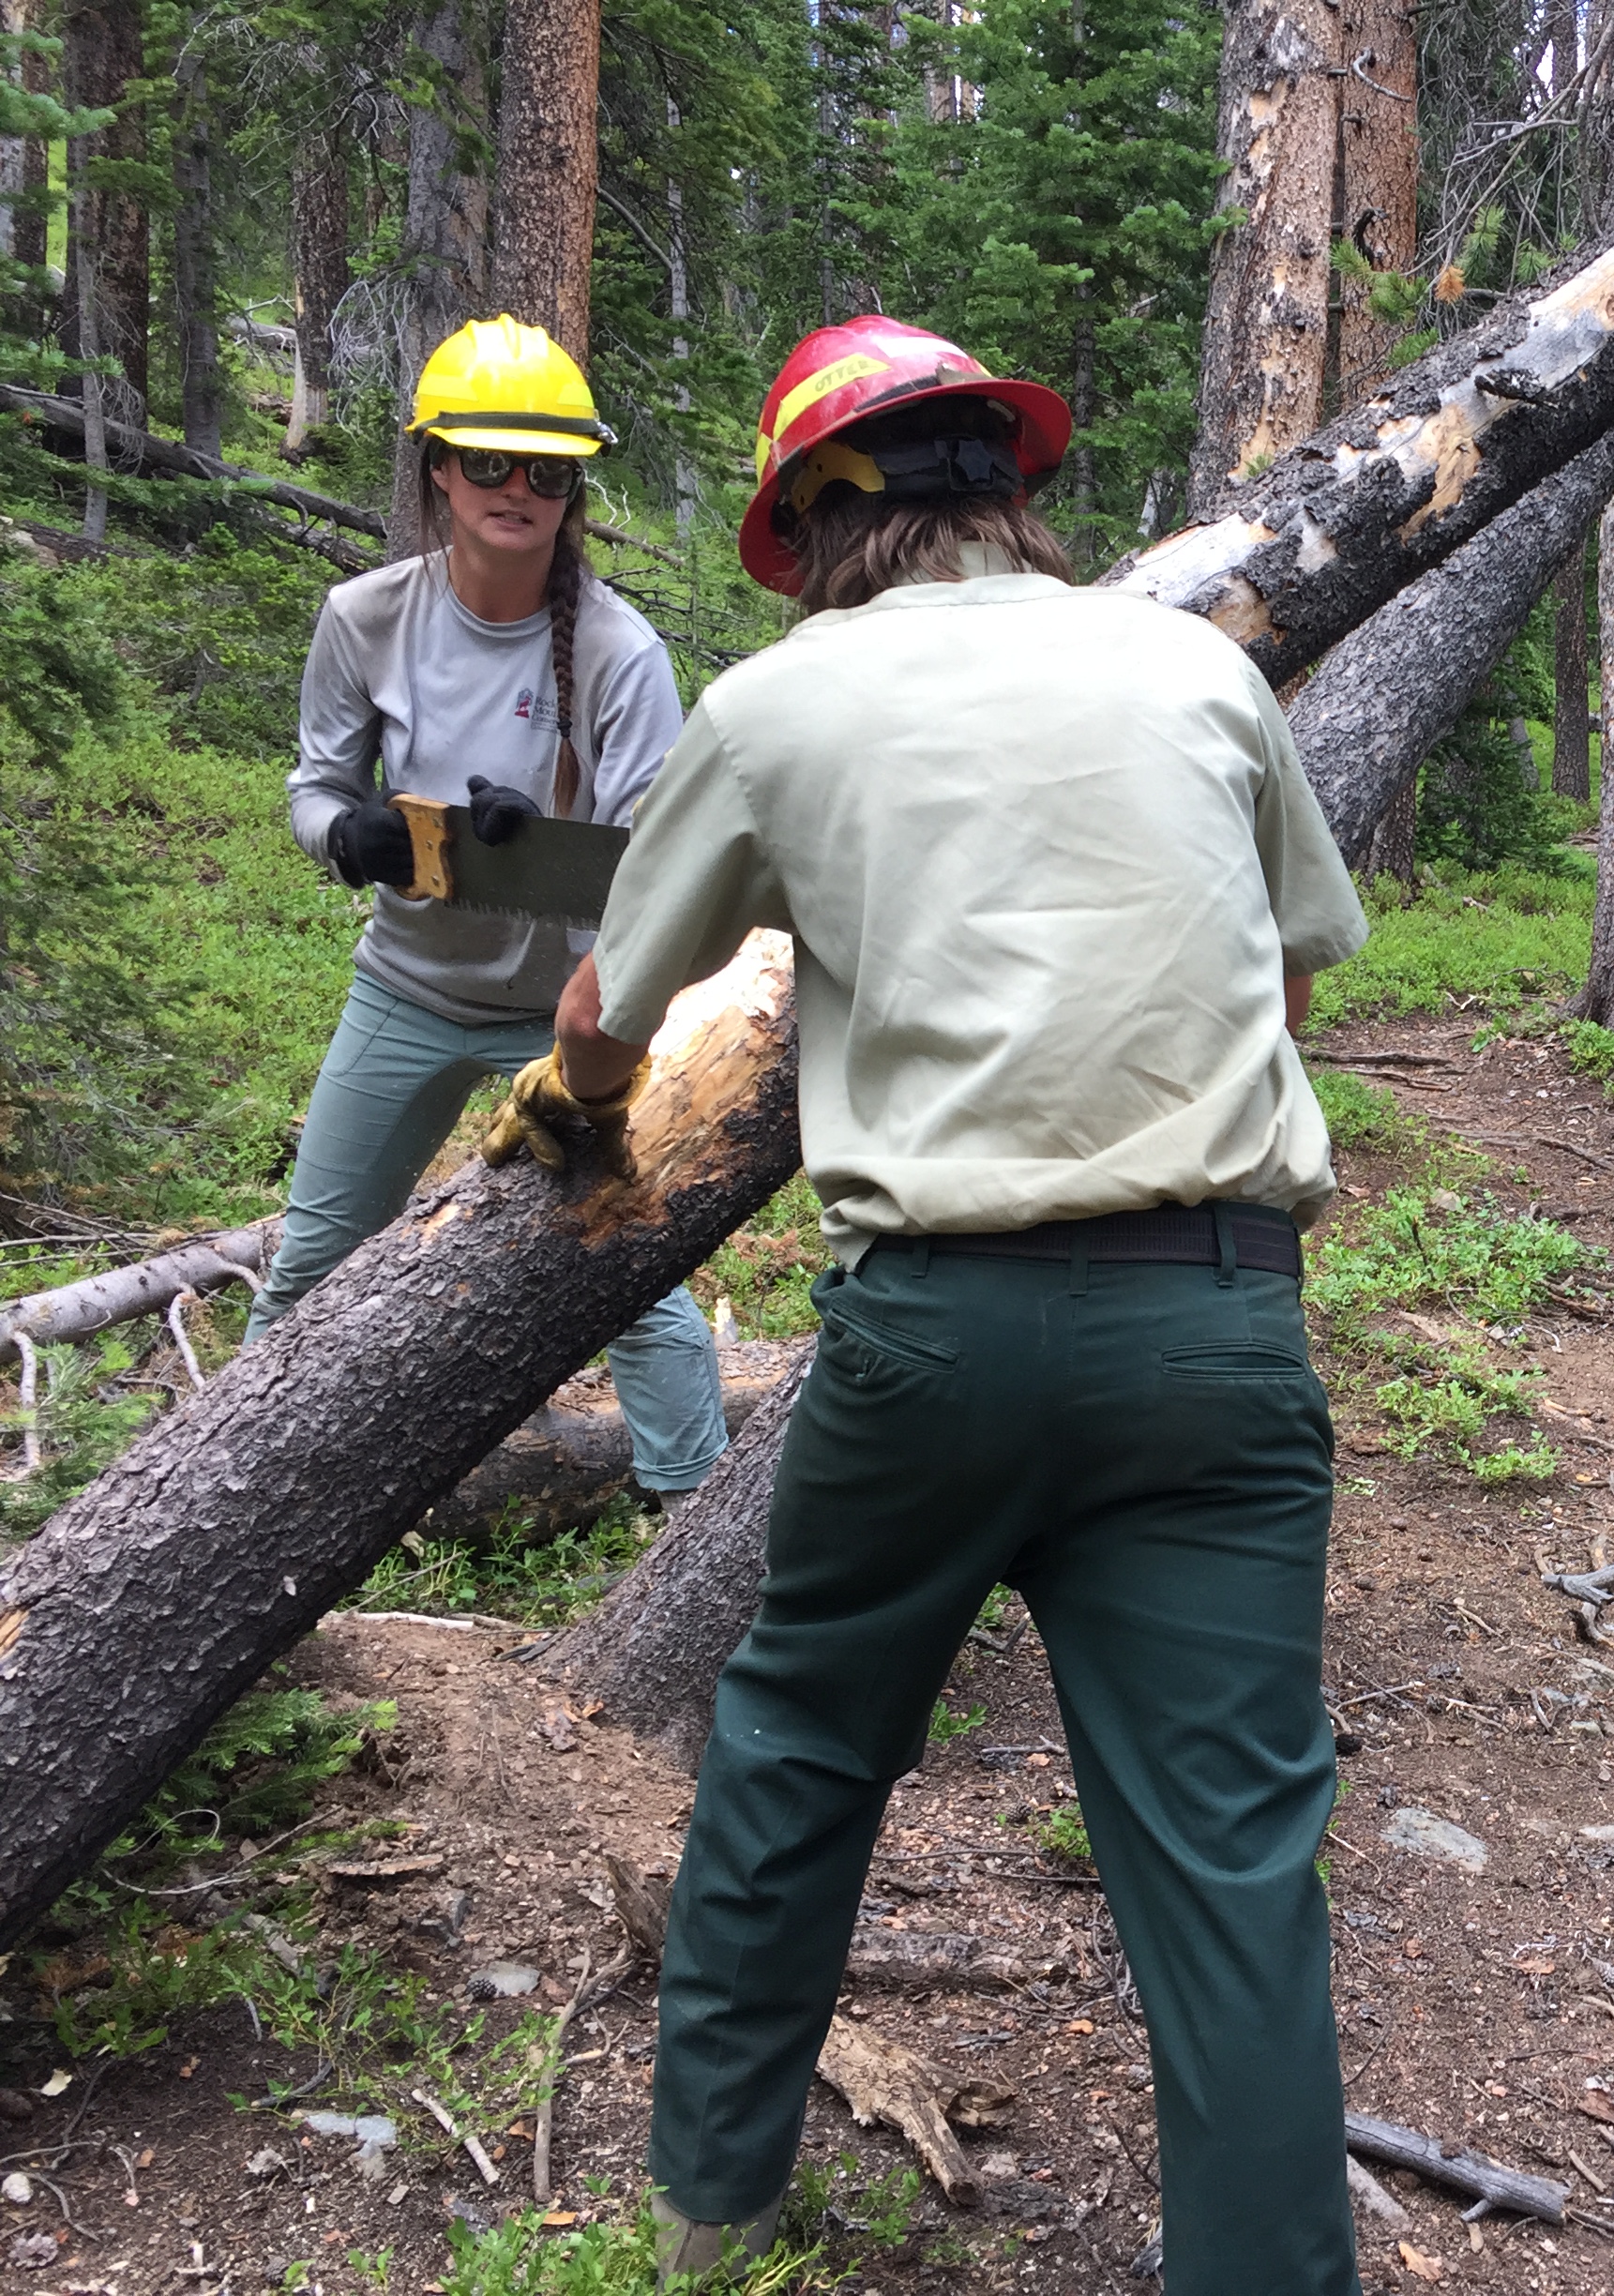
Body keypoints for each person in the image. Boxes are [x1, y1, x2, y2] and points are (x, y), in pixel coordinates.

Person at [480, 315, 1370, 2294]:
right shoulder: (1195, 663)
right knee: (1233, 1865)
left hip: (939, 1333)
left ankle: (705, 2220)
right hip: (1216, 1326)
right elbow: (1298, 982)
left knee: (800, 1750)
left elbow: (617, 1007)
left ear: (814, 523)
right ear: (1013, 492)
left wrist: (571, 1123)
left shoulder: (781, 708)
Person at [255, 315, 727, 1501]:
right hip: (406, 991)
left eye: (549, 470)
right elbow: (314, 789)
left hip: (566, 1017)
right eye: (489, 462)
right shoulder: (365, 616)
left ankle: (691, 1509)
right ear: (438, 473)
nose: (517, 489)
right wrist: (350, 836)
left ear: (573, 489)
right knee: (313, 1255)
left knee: (627, 1268)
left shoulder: (620, 655)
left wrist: (545, 843)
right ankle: (236, 1496)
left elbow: (653, 869)